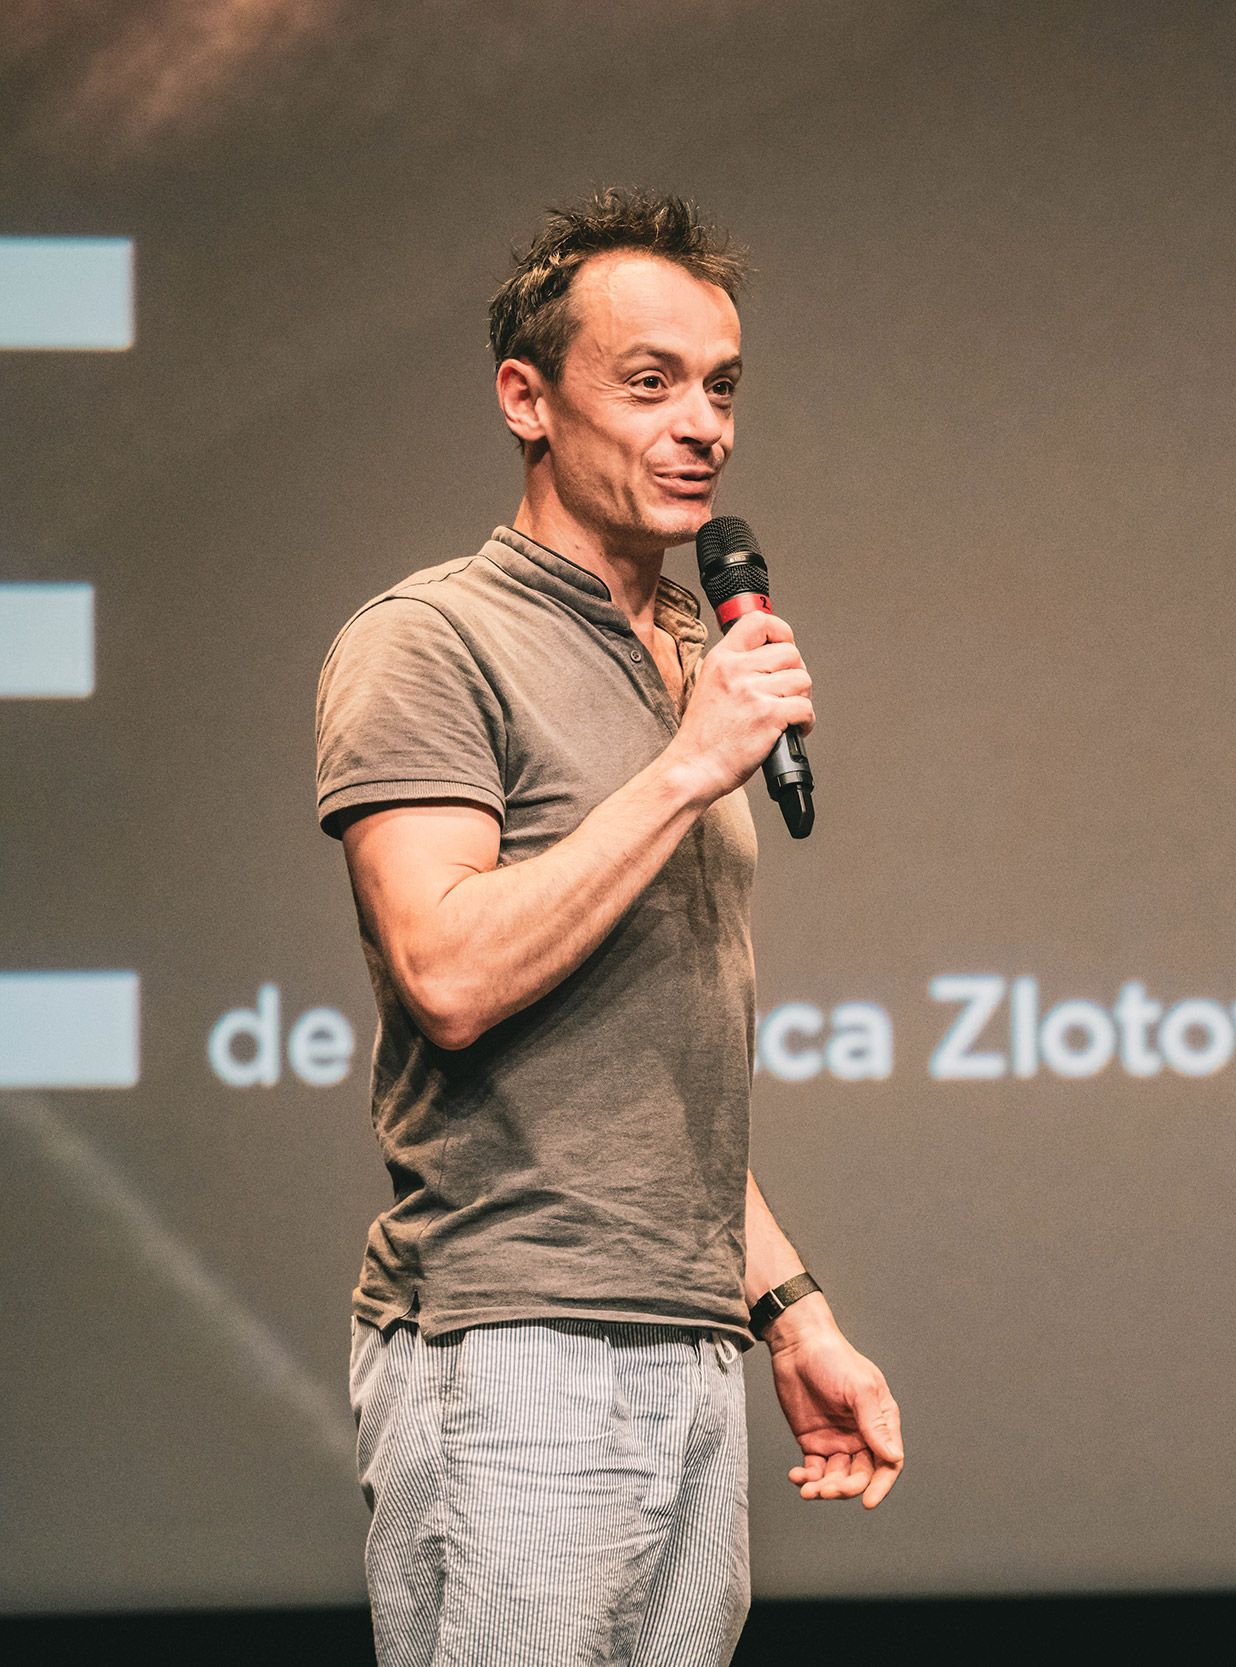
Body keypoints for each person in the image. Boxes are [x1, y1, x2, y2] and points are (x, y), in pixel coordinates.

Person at [315, 188, 903, 1665]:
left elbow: (644, 1070)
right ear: (527, 398)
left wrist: (789, 1312)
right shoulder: (430, 640)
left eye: (722, 387)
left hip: (688, 1334)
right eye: (650, 383)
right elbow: (447, 969)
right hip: (513, 1334)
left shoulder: (698, 652)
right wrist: (691, 767)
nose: (701, 425)